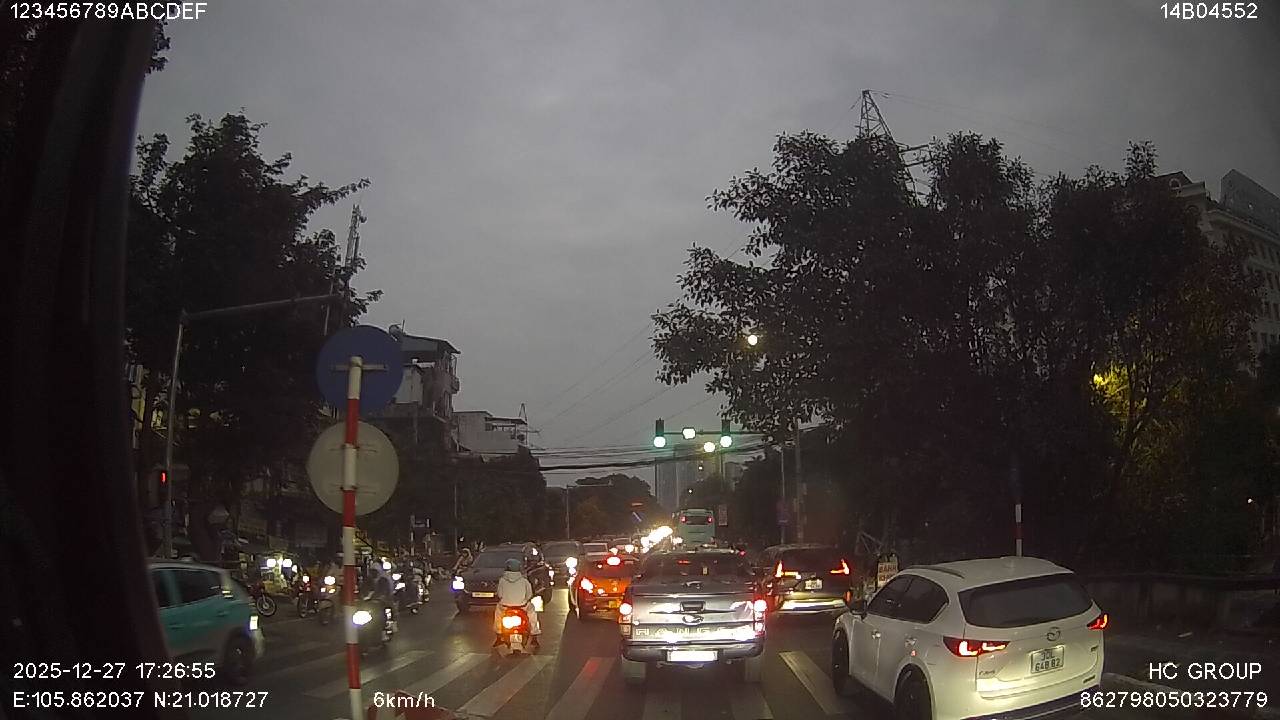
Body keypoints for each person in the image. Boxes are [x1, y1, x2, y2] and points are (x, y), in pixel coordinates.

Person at [493, 557, 540, 648]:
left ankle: (499, 635)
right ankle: (534, 635)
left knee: (498, 614)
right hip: (522, 606)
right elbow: (529, 594)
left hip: (505, 606)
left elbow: (500, 594)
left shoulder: (502, 580)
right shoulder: (524, 581)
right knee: (532, 613)